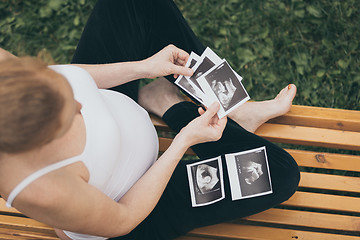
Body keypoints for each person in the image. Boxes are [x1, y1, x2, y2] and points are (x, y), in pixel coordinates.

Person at [0, 0, 300, 239]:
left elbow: (78, 76)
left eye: (63, 88)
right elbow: (124, 219)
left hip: (121, 113)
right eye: (69, 115)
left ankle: (234, 108)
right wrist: (182, 141)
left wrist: (144, 67)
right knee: (279, 173)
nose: (81, 102)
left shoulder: (6, 74)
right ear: (39, 141)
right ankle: (168, 104)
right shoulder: (38, 188)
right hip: (138, 204)